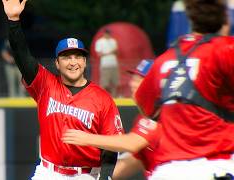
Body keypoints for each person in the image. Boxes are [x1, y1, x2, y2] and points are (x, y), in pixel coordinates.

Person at [64, 0, 234, 179]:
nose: (133, 82)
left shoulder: (164, 60)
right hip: (213, 165)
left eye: (139, 78)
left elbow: (146, 113)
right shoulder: (224, 49)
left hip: (167, 171)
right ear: (225, 21)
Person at [1, 0, 124, 179]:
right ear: (57, 64)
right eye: (66, 57)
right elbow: (22, 56)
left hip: (86, 175)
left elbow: (112, 146)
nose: (73, 62)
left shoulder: (102, 98)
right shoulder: (45, 84)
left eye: (78, 57)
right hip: (48, 172)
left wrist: (105, 178)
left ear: (84, 62)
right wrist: (13, 22)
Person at [63, 60, 161, 179]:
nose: (133, 83)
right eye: (134, 78)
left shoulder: (163, 114)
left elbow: (131, 143)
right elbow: (133, 162)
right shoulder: (142, 119)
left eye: (140, 79)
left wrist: (86, 137)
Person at [95, 29, 119, 97]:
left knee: (115, 83)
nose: (108, 35)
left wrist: (108, 53)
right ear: (104, 34)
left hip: (114, 64)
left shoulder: (113, 41)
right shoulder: (100, 42)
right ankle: (102, 97)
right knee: (104, 84)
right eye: (107, 33)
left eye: (109, 33)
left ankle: (114, 98)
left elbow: (116, 52)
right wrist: (110, 52)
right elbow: (99, 54)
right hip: (105, 65)